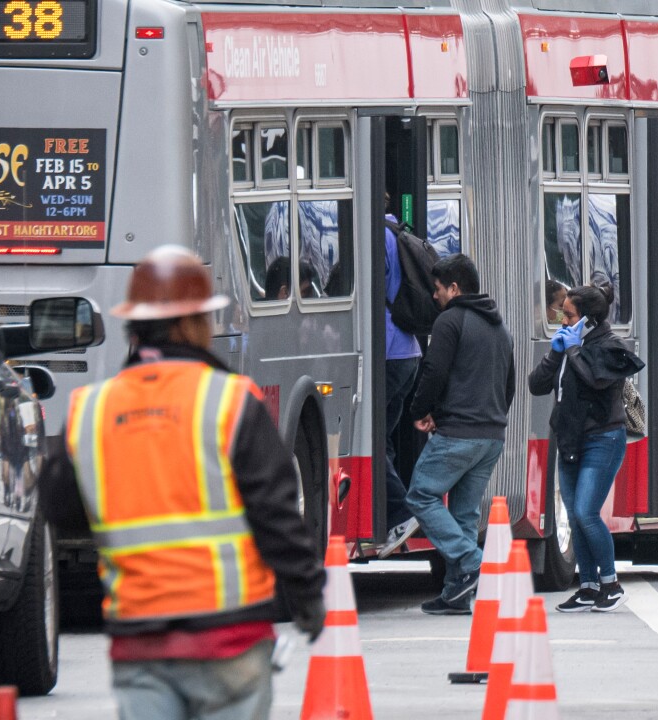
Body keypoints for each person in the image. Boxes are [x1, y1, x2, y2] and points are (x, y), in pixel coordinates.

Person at [39, 246, 326, 720]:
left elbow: (60, 508)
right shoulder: (231, 402)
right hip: (229, 643)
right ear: (194, 324)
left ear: (133, 326)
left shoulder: (93, 410)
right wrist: (307, 594)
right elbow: (276, 512)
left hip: (141, 645)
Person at [405, 253, 516, 614]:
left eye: (438, 289)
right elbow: (509, 385)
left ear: (454, 288)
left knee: (421, 494)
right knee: (465, 514)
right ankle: (456, 593)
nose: (434, 296)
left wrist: (421, 411)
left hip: (459, 432)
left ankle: (471, 560)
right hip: (492, 435)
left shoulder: (450, 321)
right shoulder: (501, 328)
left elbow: (433, 371)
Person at [530, 284, 643, 613]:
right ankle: (589, 585)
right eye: (562, 314)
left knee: (585, 512)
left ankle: (611, 583)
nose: (562, 321)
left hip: (602, 439)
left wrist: (575, 350)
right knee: (575, 516)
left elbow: (596, 380)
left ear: (589, 321)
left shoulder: (610, 347)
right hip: (569, 440)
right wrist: (555, 353)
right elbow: (536, 384)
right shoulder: (566, 346)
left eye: (569, 315)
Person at [376, 200, 424, 559]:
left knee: (373, 442)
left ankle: (402, 510)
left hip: (388, 352)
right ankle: (390, 515)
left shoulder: (375, 235)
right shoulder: (400, 232)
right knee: (386, 439)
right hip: (409, 351)